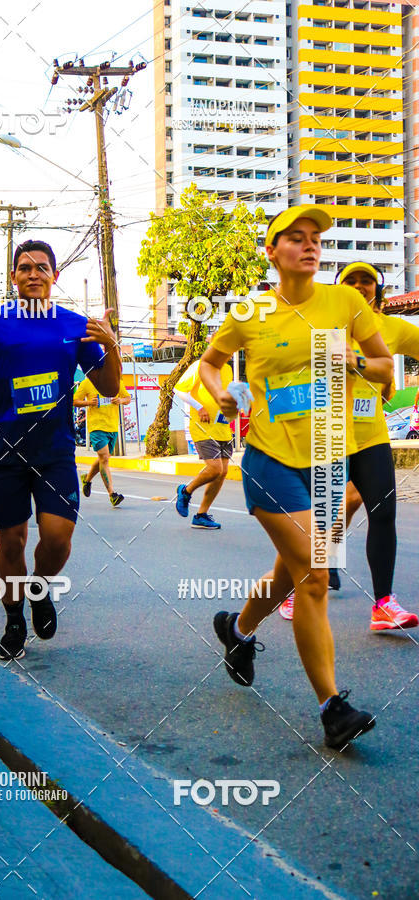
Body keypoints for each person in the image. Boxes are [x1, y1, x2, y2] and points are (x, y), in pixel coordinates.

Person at [200, 205, 394, 750]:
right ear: (272, 251)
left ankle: (236, 632)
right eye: (295, 238)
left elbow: (384, 368)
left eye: (314, 239)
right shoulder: (249, 310)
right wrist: (221, 392)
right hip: (270, 460)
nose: (309, 246)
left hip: (329, 459)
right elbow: (213, 362)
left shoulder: (346, 303)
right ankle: (333, 708)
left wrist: (351, 362)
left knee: (291, 571)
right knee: (313, 575)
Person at [0, 239, 121, 661]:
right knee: (12, 542)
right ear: (13, 277)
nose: (33, 273)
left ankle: (39, 589)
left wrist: (111, 346)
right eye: (24, 267)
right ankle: (14, 616)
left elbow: (110, 387)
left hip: (55, 452)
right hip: (5, 453)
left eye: (41, 267)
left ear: (55, 275)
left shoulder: (75, 325)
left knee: (57, 539)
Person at [279, 263, 419, 631]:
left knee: (383, 513)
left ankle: (384, 605)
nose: (359, 286)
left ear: (378, 289)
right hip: (327, 435)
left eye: (366, 281)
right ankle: (295, 589)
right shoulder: (323, 324)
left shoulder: (391, 328)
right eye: (350, 281)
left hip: (371, 435)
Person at [173, 358, 234, 529]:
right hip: (203, 426)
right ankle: (185, 491)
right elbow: (178, 389)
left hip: (222, 426)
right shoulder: (201, 364)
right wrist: (199, 407)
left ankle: (201, 515)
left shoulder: (228, 369)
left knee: (221, 473)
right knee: (215, 468)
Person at [73, 375, 130, 506]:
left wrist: (120, 400)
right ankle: (112, 494)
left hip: (112, 427)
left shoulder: (115, 382)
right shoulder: (87, 383)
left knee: (102, 459)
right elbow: (75, 401)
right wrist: (89, 403)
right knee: (104, 458)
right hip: (96, 427)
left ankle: (87, 479)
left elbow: (127, 398)